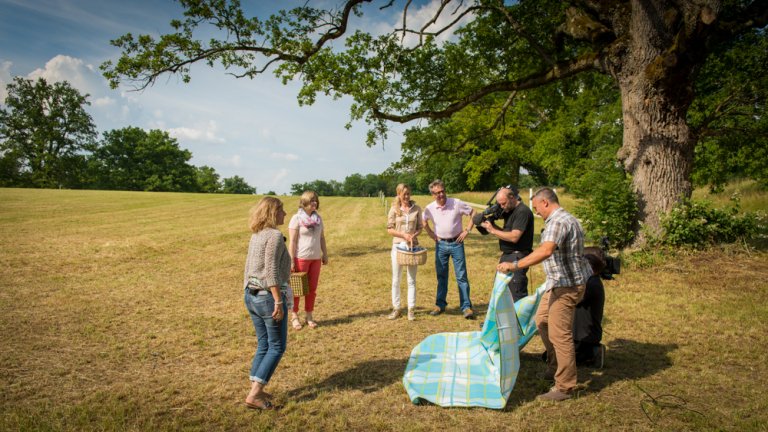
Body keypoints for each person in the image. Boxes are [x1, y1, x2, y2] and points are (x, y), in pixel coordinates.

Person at [498, 187, 588, 402]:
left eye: (537, 208)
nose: (537, 212)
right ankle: (555, 367)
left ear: (545, 203)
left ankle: (565, 386)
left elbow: (546, 250)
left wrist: (515, 265)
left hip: (567, 286)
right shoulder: (565, 218)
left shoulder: (558, 222)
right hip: (557, 283)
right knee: (542, 321)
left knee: (560, 334)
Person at [243, 196, 291, 410]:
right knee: (277, 346)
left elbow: (248, 267)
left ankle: (257, 388)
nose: (285, 214)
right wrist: (278, 302)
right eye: (282, 210)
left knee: (264, 344)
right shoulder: (273, 235)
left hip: (251, 295)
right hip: (267, 297)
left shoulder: (257, 235)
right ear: (273, 212)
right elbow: (271, 272)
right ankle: (254, 395)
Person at [423, 179, 477, 319]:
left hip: (457, 244)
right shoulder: (430, 208)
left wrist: (467, 230)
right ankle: (440, 305)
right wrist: (431, 234)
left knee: (461, 276)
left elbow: (473, 213)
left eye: (442, 191)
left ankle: (466, 307)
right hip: (440, 245)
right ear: (433, 195)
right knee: (441, 276)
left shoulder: (456, 203)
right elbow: (423, 221)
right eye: (437, 193)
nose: (441, 195)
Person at [478, 186, 534, 302]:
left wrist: (493, 230)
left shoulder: (522, 211)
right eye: (500, 204)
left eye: (503, 204)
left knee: (516, 294)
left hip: (517, 256)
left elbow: (514, 237)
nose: (502, 207)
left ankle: (520, 320)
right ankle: (500, 321)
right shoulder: (509, 210)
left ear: (512, 197)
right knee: (500, 293)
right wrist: (489, 225)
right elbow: (505, 233)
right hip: (507, 255)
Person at [288, 190, 328, 330]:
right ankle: (294, 316)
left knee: (312, 289)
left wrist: (325, 253)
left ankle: (309, 316)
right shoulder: (296, 218)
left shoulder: (318, 219)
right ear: (304, 203)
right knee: (297, 289)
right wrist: (291, 260)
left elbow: (322, 237)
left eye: (315, 200)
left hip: (316, 259)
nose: (314, 203)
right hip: (301, 258)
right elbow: (292, 241)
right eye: (311, 201)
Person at [386, 183, 424, 321]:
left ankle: (411, 309)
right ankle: (397, 308)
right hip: (398, 246)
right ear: (399, 195)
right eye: (404, 194)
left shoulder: (417, 209)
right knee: (396, 279)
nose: (407, 196)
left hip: (412, 246)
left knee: (411, 280)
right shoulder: (394, 209)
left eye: (408, 193)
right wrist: (403, 235)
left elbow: (420, 227)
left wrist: (413, 235)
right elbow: (389, 229)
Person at [574, 247, 606, 367]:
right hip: (580, 335)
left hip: (584, 337)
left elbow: (573, 299)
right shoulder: (590, 281)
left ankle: (593, 352)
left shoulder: (591, 284)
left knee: (559, 356)